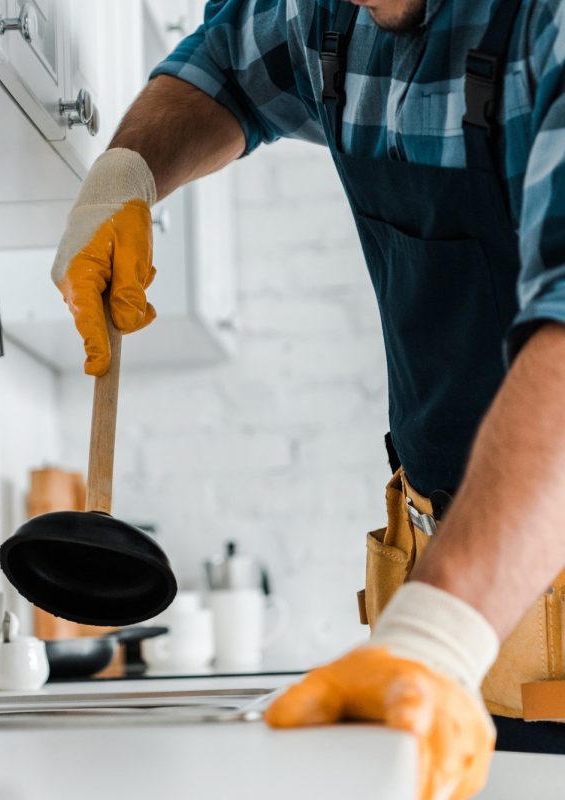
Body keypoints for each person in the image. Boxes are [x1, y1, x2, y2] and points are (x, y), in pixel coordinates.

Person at [50, 0, 565, 796]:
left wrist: (433, 639)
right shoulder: (321, 14)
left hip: (468, 617)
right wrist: (125, 174)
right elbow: (223, 66)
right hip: (463, 625)